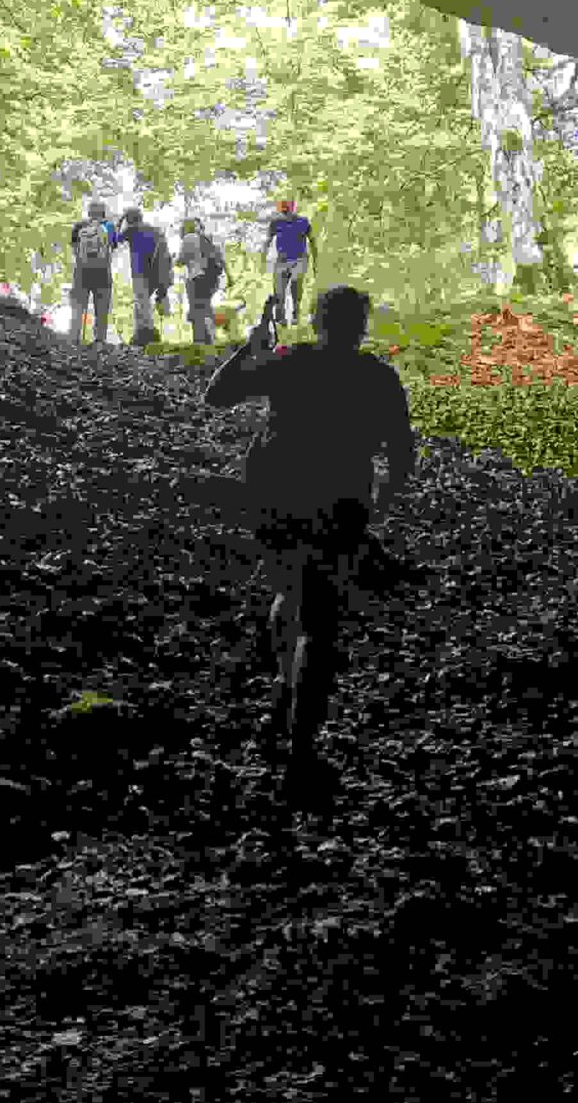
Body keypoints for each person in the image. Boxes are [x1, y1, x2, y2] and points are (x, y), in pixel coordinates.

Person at [204, 282, 419, 810]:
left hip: (277, 501)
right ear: (359, 325)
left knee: (292, 593)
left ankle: (284, 697)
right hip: (341, 508)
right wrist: (382, 506)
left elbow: (218, 393)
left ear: (318, 321)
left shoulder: (290, 362)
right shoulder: (377, 377)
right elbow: (400, 451)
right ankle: (300, 748)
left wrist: (248, 348)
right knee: (320, 623)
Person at [69, 199, 117, 346]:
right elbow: (113, 246)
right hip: (103, 274)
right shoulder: (109, 227)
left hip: (81, 273)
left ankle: (74, 339)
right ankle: (100, 340)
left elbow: (74, 248)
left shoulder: (79, 226)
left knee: (78, 308)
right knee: (101, 310)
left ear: (89, 213)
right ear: (103, 213)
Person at [116, 206, 167, 347]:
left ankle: (146, 336)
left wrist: (120, 221)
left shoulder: (131, 230)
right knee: (142, 304)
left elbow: (116, 239)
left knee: (141, 302)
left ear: (130, 219)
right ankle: (142, 334)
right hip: (155, 271)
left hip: (140, 270)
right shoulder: (154, 229)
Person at [178, 216, 229, 344]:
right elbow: (221, 259)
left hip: (196, 278)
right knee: (206, 307)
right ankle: (210, 338)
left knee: (197, 309)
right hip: (212, 279)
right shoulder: (208, 239)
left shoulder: (188, 238)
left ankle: (200, 340)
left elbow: (180, 260)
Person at [263, 198, 313, 327]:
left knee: (296, 284)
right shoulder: (276, 222)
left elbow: (312, 240)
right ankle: (280, 319)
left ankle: (296, 315)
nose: (285, 214)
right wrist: (263, 255)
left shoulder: (303, 222)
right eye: (283, 211)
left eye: (287, 210)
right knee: (279, 291)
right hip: (282, 261)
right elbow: (268, 240)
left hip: (299, 259)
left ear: (293, 209)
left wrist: (315, 259)